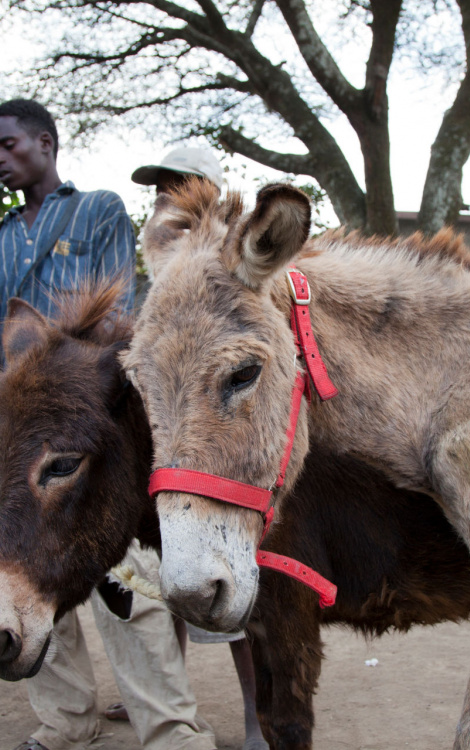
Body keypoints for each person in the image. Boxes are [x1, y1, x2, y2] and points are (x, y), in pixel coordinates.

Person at [0, 99, 216, 750]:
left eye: (8, 144)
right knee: (24, 568)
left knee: (122, 581)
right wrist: (7, 403)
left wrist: (54, 390)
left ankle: (171, 729)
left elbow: (116, 319)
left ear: (46, 143)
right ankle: (65, 723)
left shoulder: (97, 210)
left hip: (85, 432)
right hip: (17, 437)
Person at [132, 147, 267, 750]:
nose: (167, 196)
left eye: (181, 185)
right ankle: (170, 697)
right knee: (168, 580)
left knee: (241, 605)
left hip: (221, 450)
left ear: (211, 190)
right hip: (167, 450)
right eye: (161, 187)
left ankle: (256, 715)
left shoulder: (230, 261)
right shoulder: (157, 252)